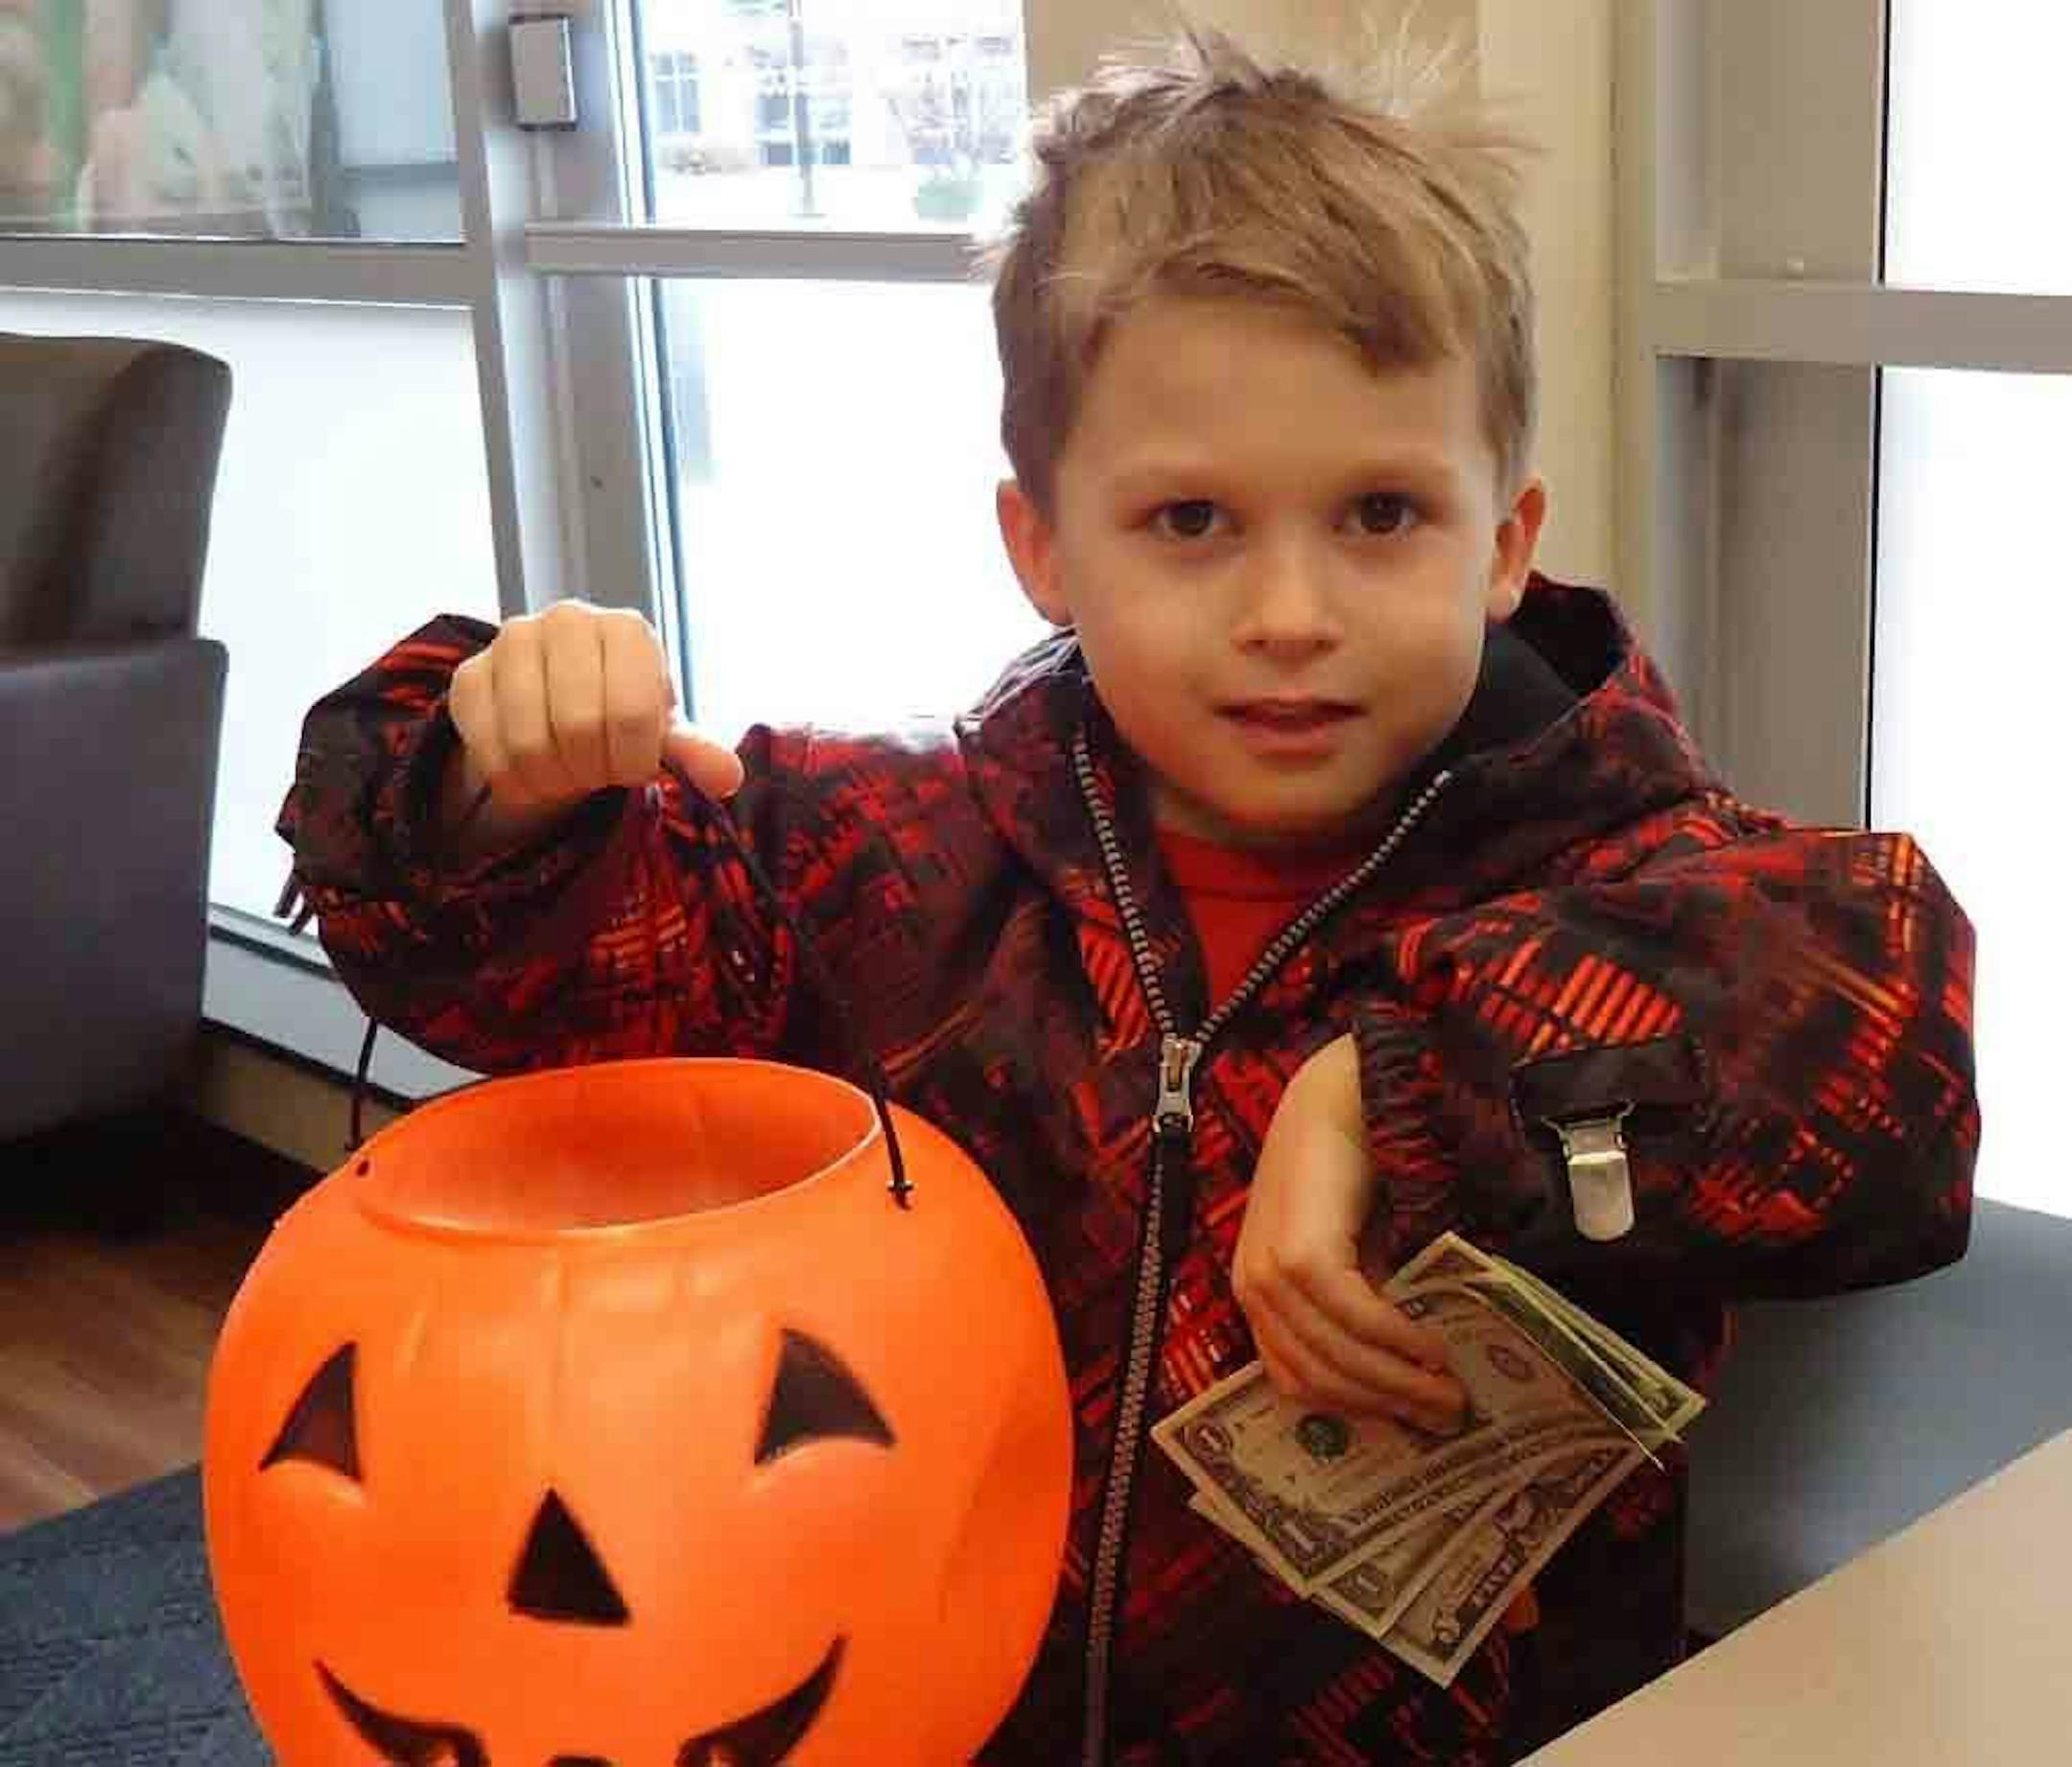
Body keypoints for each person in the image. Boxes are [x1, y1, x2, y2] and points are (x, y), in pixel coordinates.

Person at [277, 25, 1978, 1764]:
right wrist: (490, 774)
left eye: (1381, 512)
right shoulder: (896, 860)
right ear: (1043, 546)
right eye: (1190, 523)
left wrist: (1400, 1087)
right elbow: (499, 954)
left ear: (1505, 540)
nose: (1291, 614)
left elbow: (1890, 1047)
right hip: (947, 1717)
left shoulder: (1618, 865)